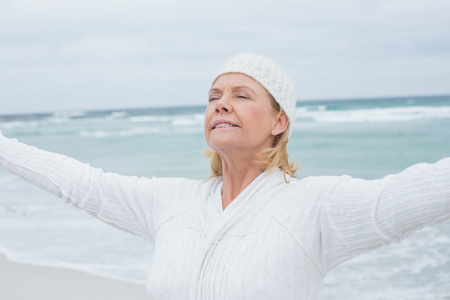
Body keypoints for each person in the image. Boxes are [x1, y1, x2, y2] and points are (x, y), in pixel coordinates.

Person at [0, 53, 449, 300]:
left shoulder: (318, 206)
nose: (220, 103)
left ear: (279, 121)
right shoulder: (169, 202)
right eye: (214, 95)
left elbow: (421, 189)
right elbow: (81, 183)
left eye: (241, 94)